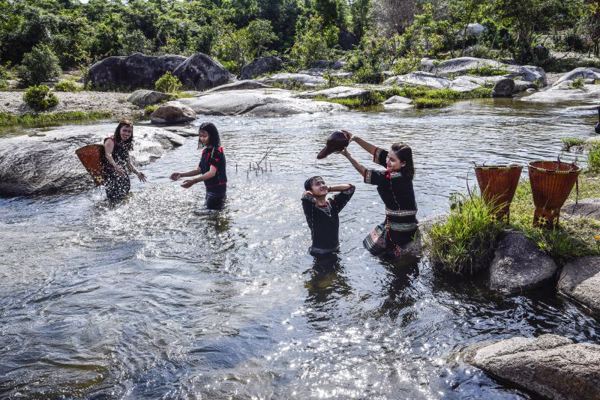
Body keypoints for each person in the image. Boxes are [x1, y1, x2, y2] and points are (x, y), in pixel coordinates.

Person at [338, 131, 419, 261]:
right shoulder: (406, 172)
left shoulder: (391, 178)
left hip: (400, 230)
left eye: (392, 160)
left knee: (389, 261)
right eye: (388, 157)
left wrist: (348, 156)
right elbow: (375, 151)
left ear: (403, 163)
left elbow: (364, 172)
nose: (388, 161)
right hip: (404, 224)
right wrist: (356, 138)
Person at [170, 122, 227, 210]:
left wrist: (194, 181)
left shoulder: (216, 152)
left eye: (205, 136)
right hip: (209, 189)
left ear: (212, 136)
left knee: (212, 216)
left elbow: (211, 173)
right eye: (200, 136)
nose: (202, 138)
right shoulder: (205, 151)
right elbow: (199, 170)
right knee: (209, 214)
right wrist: (181, 174)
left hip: (217, 192)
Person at [302, 176, 355, 258]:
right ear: (310, 190)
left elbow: (350, 188)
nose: (322, 185)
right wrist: (313, 195)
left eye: (323, 183)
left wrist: (329, 188)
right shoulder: (311, 208)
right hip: (319, 253)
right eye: (317, 184)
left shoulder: (333, 204)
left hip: (336, 250)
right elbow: (305, 196)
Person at [102, 119, 146, 202]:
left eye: (129, 132)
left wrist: (138, 173)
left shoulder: (125, 144)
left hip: (122, 175)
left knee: (124, 198)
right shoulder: (110, 140)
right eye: (124, 130)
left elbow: (128, 163)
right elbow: (108, 155)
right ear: (119, 130)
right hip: (111, 175)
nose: (126, 133)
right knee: (113, 200)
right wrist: (116, 167)